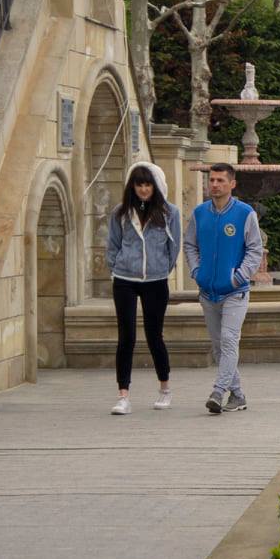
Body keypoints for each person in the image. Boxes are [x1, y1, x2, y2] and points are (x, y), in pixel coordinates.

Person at [184, 162, 263, 414]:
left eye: (220, 180)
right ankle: (238, 394)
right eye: (212, 180)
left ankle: (218, 392)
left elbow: (254, 249)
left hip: (235, 292)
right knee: (219, 346)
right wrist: (197, 272)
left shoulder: (244, 213)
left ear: (232, 184)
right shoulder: (200, 213)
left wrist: (238, 277)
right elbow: (189, 245)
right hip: (207, 291)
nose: (215, 185)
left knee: (229, 340)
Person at [105, 161, 180, 415]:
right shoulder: (121, 213)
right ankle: (123, 394)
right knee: (126, 337)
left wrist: (163, 268)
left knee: (154, 335)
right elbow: (113, 244)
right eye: (139, 184)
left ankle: (165, 388)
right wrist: (117, 265)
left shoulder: (170, 213)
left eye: (148, 184)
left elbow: (174, 247)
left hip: (156, 281)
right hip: (125, 279)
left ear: (156, 186)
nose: (144, 189)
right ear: (132, 186)